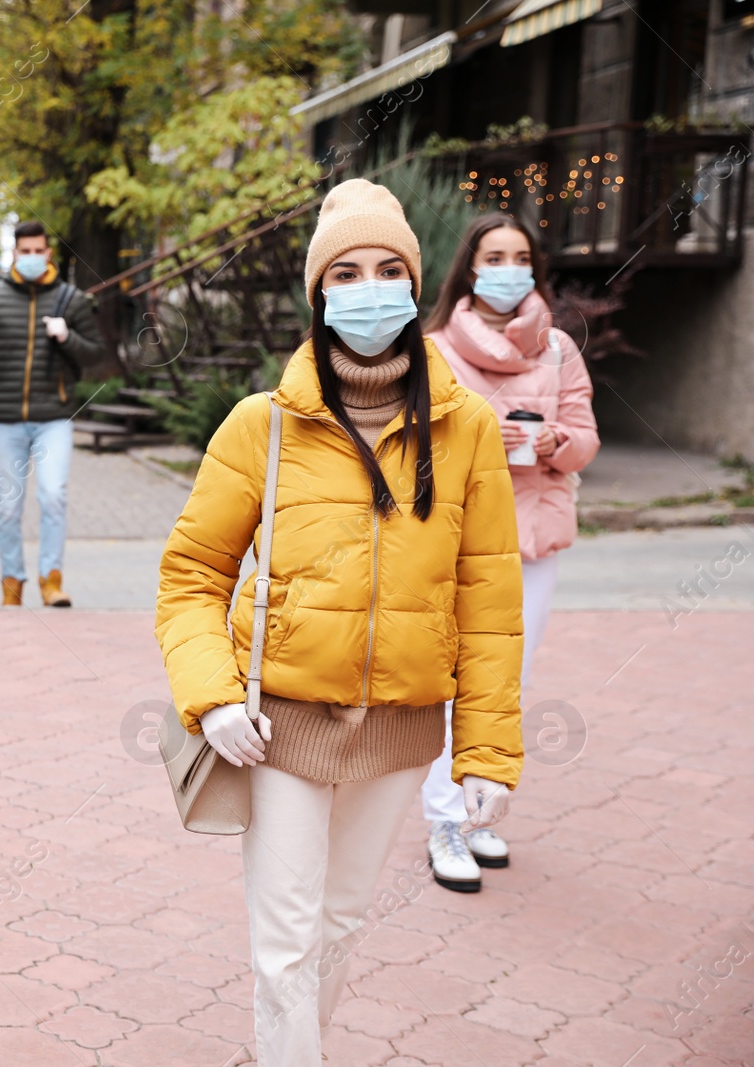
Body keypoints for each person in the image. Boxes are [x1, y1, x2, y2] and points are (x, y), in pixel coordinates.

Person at [155, 180, 524, 1066]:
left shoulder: (468, 427)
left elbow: (489, 601)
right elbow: (191, 573)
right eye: (347, 272)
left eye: (390, 268)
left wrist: (487, 751)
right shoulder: (263, 425)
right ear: (321, 296)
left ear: (414, 281)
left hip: (400, 731)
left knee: (340, 923)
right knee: (285, 940)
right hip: (277, 725)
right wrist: (210, 698)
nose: (370, 288)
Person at [417, 215, 599, 892]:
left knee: (506, 681)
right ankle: (442, 819)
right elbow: (416, 442)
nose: (508, 267)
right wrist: (480, 440)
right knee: (448, 683)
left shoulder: (557, 348)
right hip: (459, 535)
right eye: (495, 255)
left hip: (534, 534)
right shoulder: (432, 348)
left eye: (520, 256)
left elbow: (585, 432)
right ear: (469, 266)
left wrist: (559, 445)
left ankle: (478, 807)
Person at [0, 221, 104, 607]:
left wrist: (66, 336)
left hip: (54, 418)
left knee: (53, 496)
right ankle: (12, 585)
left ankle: (51, 581)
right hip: (6, 420)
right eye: (23, 251)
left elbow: (96, 353)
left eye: (37, 251)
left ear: (48, 253)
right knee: (8, 507)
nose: (30, 258)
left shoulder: (71, 299)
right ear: (14, 254)